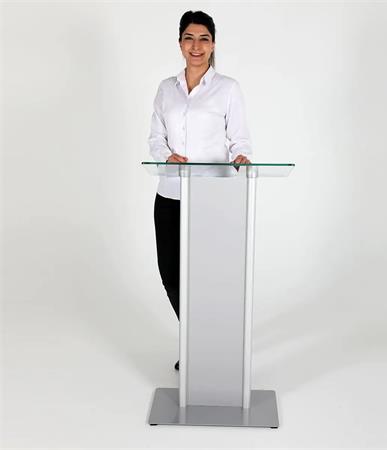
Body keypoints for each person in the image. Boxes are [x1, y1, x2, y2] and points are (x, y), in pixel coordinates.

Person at [148, 10, 252, 371]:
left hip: (212, 197)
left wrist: (241, 157)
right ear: (180, 43)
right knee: (171, 274)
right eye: (189, 38)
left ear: (213, 44)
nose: (196, 46)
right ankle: (198, 342)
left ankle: (209, 348)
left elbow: (240, 139)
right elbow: (155, 137)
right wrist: (165, 156)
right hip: (171, 194)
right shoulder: (166, 89)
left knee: (209, 277)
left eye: (204, 38)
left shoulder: (228, 88)